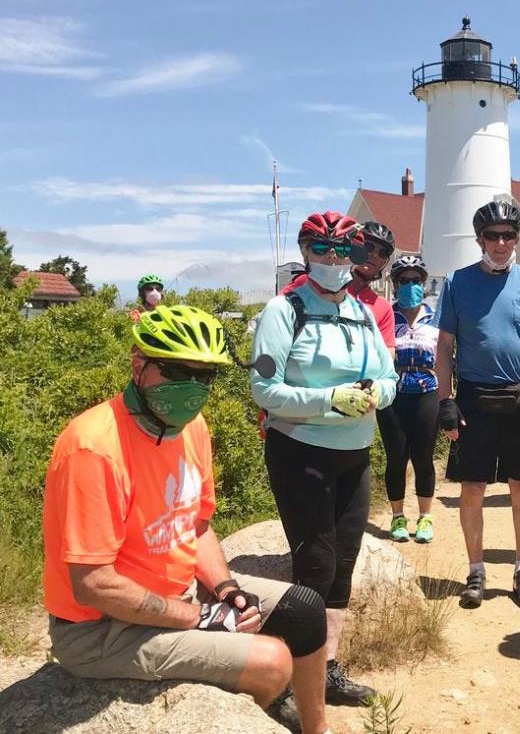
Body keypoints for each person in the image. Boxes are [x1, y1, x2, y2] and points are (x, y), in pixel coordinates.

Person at [42, 305, 334, 734]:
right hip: (99, 629)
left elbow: (194, 524)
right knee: (272, 661)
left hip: (178, 594)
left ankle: (316, 729)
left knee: (305, 609)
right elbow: (93, 584)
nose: (192, 388)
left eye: (205, 376)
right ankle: (261, 707)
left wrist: (225, 589)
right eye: (179, 371)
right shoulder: (93, 448)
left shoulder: (191, 427)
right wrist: (198, 618)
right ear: (139, 366)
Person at [251, 211, 399, 706]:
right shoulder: (284, 309)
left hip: (354, 452)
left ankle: (325, 670)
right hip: (300, 450)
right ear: (305, 253)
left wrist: (376, 393)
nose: (333, 260)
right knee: (314, 564)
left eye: (343, 251)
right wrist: (329, 400)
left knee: (343, 565)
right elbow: (264, 389)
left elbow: (389, 377)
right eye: (321, 250)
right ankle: (292, 678)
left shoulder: (361, 311)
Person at [435, 200, 520, 610]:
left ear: (517, 239)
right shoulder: (457, 282)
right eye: (493, 236)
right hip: (474, 397)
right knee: (472, 488)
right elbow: (444, 347)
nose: (502, 242)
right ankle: (476, 569)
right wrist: (446, 401)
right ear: (479, 240)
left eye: (509, 235)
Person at [379, 254, 440, 544]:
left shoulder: (437, 318)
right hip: (395, 395)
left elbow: (449, 358)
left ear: (424, 284)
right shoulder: (387, 318)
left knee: (424, 458)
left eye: (416, 280)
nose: (410, 285)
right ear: (395, 284)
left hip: (428, 392)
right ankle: (397, 516)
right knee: (396, 459)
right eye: (404, 280)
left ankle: (425, 517)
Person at [348, 222, 397, 356]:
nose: (375, 255)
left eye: (382, 253)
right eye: (369, 247)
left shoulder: (383, 307)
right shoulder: (326, 289)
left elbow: (388, 356)